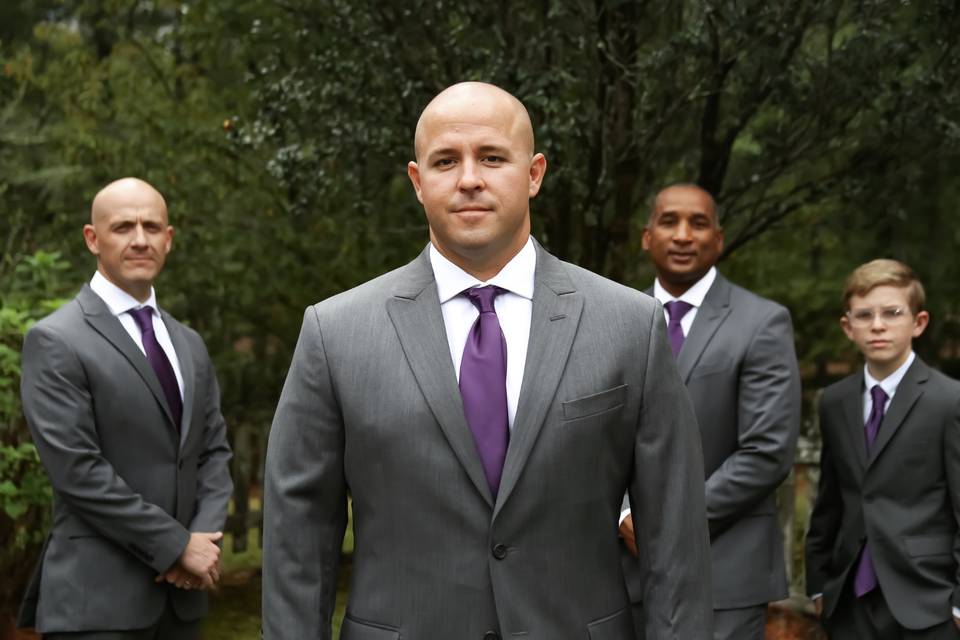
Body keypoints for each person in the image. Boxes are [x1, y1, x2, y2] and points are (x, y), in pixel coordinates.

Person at [262, 82, 712, 639]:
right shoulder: (335, 333)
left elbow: (676, 538)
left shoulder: (631, 326)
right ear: (417, 182)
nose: (469, 178)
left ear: (534, 173)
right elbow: (297, 539)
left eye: (493, 157)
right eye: (446, 161)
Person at [17, 178, 233, 639]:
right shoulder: (56, 340)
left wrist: (203, 543)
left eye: (152, 227)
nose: (140, 239)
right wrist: (176, 546)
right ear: (92, 239)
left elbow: (214, 453)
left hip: (181, 606)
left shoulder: (188, 344)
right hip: (96, 606)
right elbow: (78, 472)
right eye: (123, 227)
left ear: (168, 239)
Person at [620, 184, 801, 639]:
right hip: (624, 572)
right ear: (647, 237)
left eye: (698, 223)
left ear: (718, 239)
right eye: (669, 222)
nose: (683, 235)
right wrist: (623, 516)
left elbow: (767, 452)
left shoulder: (762, 323)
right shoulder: (614, 319)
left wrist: (668, 522)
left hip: (724, 572)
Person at [805, 259, 960, 638]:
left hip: (926, 599)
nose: (877, 325)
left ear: (918, 322)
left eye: (892, 313)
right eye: (864, 315)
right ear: (848, 327)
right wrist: (818, 583)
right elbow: (829, 501)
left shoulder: (949, 400)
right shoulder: (834, 401)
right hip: (848, 600)